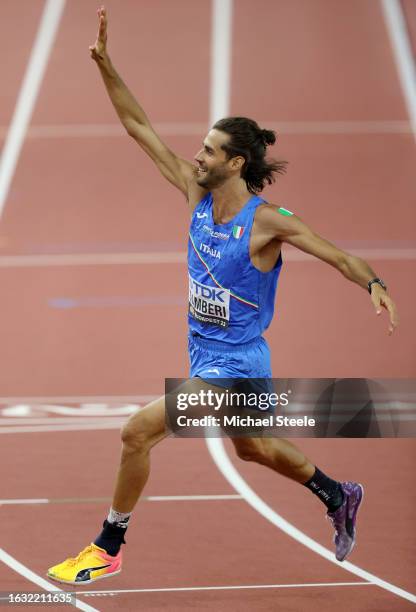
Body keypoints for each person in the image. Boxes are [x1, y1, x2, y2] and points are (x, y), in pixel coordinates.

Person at [47, 6, 398, 585]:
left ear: (236, 161)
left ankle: (108, 544)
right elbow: (139, 127)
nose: (198, 155)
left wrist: (374, 282)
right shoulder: (196, 193)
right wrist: (106, 65)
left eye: (210, 150)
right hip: (207, 352)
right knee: (254, 449)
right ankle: (338, 492)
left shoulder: (269, 223)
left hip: (234, 364)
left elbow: (336, 253)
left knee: (137, 431)